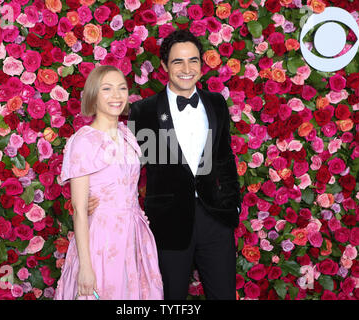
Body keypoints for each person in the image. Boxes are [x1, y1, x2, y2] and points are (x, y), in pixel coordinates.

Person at [127, 30, 241, 300]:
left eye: (193, 60)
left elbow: (225, 157)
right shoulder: (143, 111)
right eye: (178, 62)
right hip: (168, 223)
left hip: (216, 218)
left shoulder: (216, 103)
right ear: (165, 66)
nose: (187, 69)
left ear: (202, 64)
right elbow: (131, 167)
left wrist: (233, 204)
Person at [54, 65, 163, 300]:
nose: (116, 95)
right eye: (107, 89)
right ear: (94, 95)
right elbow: (80, 210)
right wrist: (85, 267)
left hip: (133, 235)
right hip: (101, 240)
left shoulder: (127, 134)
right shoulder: (83, 141)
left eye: (122, 88)